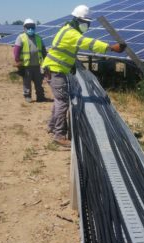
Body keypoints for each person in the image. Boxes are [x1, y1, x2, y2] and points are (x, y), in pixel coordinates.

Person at [42, 4, 126, 147]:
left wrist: (71, 65)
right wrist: (110, 48)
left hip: (55, 69)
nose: (87, 26)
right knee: (62, 101)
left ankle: (51, 126)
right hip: (56, 70)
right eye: (85, 23)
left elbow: (65, 51)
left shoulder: (67, 29)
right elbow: (88, 43)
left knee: (59, 100)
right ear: (78, 20)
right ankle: (59, 135)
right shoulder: (71, 33)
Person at [14, 18, 47, 103]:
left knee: (38, 83)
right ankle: (27, 96)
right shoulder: (21, 37)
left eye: (32, 27)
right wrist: (18, 62)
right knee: (27, 83)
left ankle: (40, 97)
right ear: (24, 28)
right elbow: (16, 51)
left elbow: (43, 51)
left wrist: (46, 61)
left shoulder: (39, 38)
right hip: (26, 65)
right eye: (28, 27)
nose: (30, 29)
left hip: (37, 65)